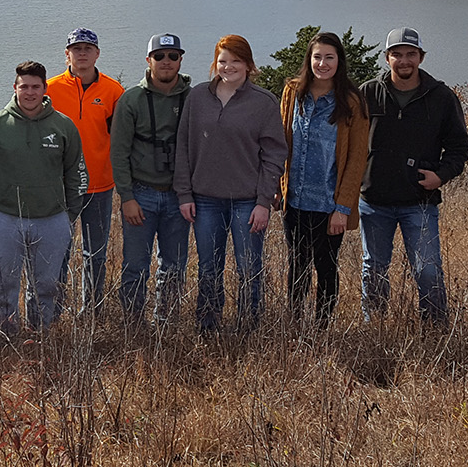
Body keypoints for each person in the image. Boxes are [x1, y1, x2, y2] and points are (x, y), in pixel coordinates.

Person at [357, 28, 468, 326]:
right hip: (374, 200)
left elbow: (460, 146)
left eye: (410, 54)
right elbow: (346, 141)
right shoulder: (368, 92)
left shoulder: (441, 96)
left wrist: (441, 176)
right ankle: (376, 328)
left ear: (421, 57)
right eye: (397, 54)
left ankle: (434, 329)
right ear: (387, 58)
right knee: (374, 268)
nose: (404, 61)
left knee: (428, 269)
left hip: (419, 201)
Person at [174, 35, 286, 332]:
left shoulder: (264, 102)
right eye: (223, 60)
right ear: (215, 63)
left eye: (236, 61)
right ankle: (207, 327)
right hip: (205, 200)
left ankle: (248, 327)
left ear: (248, 64)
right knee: (209, 269)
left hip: (248, 201)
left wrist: (264, 202)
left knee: (249, 269)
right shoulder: (197, 97)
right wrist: (184, 193)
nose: (228, 67)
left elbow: (275, 155)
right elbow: (183, 148)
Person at [0, 61, 87, 336]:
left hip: (52, 220)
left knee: (46, 285)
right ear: (15, 88)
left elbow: (76, 173)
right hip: (3, 219)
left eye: (36, 87)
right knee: (3, 284)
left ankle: (41, 334)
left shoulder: (63, 126)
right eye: (24, 87)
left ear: (45, 89)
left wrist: (69, 217)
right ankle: (6, 335)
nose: (30, 93)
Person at [277, 32, 369, 328]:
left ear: (339, 61)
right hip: (295, 199)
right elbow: (281, 142)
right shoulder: (293, 92)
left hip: (329, 204)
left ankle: (321, 330)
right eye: (317, 56)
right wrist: (277, 187)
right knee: (297, 266)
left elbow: (357, 159)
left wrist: (343, 208)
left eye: (329, 57)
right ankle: (294, 326)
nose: (322, 63)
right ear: (309, 59)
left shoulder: (351, 102)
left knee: (326, 267)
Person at [109, 33, 191, 324]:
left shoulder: (193, 98)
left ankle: (166, 322)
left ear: (181, 59)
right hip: (141, 194)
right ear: (148, 60)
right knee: (135, 264)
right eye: (159, 56)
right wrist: (127, 197)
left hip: (179, 196)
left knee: (175, 265)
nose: (166, 62)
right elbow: (118, 153)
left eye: (172, 56)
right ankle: (133, 323)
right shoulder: (131, 99)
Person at [45, 28, 125, 318]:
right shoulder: (49, 89)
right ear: (66, 54)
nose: (82, 53)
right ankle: (54, 311)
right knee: (58, 253)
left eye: (87, 48)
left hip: (100, 184)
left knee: (96, 254)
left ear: (97, 53)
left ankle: (92, 312)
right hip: (59, 187)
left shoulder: (113, 90)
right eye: (76, 48)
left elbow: (122, 138)